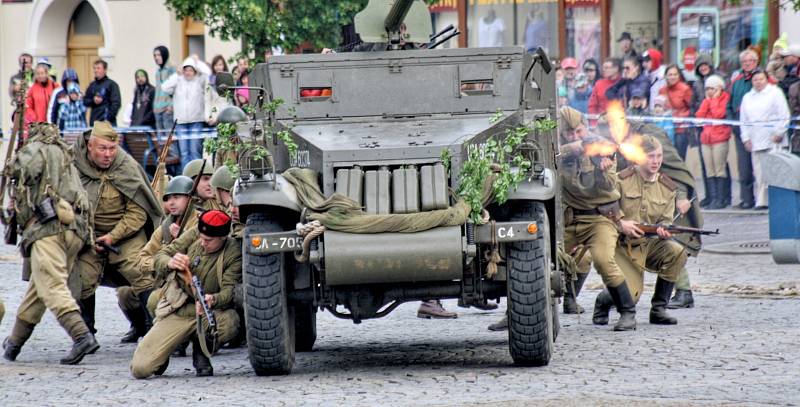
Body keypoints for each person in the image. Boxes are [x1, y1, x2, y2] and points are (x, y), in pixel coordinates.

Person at [2, 123, 96, 365]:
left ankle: (81, 335)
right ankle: (14, 343)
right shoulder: (63, 153)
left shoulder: (37, 149)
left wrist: (11, 164)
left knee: (51, 286)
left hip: (48, 229)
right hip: (73, 230)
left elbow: (22, 169)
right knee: (40, 287)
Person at [72, 121, 163, 336]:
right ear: (90, 146)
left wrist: (113, 237)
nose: (108, 154)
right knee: (82, 277)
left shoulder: (126, 167)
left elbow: (138, 213)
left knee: (141, 270)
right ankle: (85, 334)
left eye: (112, 149)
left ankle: (152, 327)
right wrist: (88, 237)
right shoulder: (73, 165)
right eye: (102, 148)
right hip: (88, 236)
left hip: (125, 234)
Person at [131, 210, 242, 378]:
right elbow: (161, 255)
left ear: (222, 237)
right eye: (202, 238)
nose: (203, 243)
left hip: (207, 312)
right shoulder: (194, 234)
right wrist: (171, 262)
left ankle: (201, 351)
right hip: (179, 308)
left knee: (229, 322)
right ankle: (166, 351)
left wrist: (213, 299)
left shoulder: (233, 252)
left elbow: (229, 291)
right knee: (140, 369)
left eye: (209, 240)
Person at [593, 135, 686, 329]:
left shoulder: (667, 188)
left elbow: (665, 220)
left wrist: (663, 229)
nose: (656, 161)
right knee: (632, 295)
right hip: (622, 246)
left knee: (677, 252)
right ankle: (604, 300)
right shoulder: (621, 180)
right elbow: (604, 210)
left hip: (649, 244)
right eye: (650, 156)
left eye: (659, 156)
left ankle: (659, 309)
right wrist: (621, 223)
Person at [118, 175, 198, 343]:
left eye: (177, 197)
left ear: (190, 198)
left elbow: (202, 255)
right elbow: (142, 259)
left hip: (194, 281)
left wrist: (181, 239)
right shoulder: (166, 227)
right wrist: (160, 263)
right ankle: (143, 327)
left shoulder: (199, 223)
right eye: (168, 199)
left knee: (156, 300)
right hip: (167, 281)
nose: (171, 202)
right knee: (126, 293)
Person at [739, 69, 791, 210]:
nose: (758, 82)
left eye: (761, 79)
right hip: (756, 140)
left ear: (766, 79)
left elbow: (784, 114)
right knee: (759, 173)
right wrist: (746, 138)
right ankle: (762, 201)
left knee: (776, 172)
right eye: (755, 80)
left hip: (774, 139)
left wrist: (779, 132)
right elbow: (743, 120)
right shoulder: (747, 97)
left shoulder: (775, 93)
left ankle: (779, 201)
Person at [161, 56, 211, 169]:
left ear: (195, 71)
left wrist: (197, 62)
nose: (188, 72)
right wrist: (176, 75)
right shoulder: (178, 80)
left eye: (190, 69)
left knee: (195, 152)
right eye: (186, 69)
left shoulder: (199, 81)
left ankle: (197, 177)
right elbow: (164, 87)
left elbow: (208, 73)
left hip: (196, 122)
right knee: (184, 153)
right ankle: (186, 179)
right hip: (181, 123)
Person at [726, 49, 759, 209]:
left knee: (760, 168)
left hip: (760, 130)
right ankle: (747, 199)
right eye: (745, 62)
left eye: (751, 61)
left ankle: (762, 200)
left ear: (756, 62)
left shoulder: (761, 78)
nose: (747, 64)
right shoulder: (736, 80)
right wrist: (733, 123)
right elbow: (729, 104)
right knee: (744, 167)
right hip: (740, 129)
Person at [694, 75, 731, 210]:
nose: (709, 91)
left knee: (719, 170)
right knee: (710, 170)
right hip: (706, 139)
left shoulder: (725, 98)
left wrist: (713, 100)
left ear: (720, 88)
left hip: (720, 138)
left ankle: (721, 199)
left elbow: (718, 114)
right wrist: (707, 102)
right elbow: (699, 116)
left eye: (712, 88)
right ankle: (713, 199)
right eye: (707, 88)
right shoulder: (706, 100)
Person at [660, 64, 694, 159]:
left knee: (679, 158)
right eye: (670, 74)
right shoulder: (662, 90)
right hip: (666, 128)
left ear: (679, 75)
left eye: (675, 74)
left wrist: (681, 116)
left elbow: (692, 108)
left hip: (681, 129)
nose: (673, 77)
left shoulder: (685, 89)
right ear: (665, 76)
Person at [83, 60, 121, 126]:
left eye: (98, 68)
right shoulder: (92, 85)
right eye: (94, 68)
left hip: (108, 123)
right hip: (94, 123)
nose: (96, 70)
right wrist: (93, 100)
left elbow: (116, 104)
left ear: (105, 70)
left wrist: (108, 118)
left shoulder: (112, 85)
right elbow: (85, 101)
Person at [153, 46, 177, 133]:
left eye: (159, 55)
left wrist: (171, 106)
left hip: (167, 109)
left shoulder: (171, 69)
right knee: (161, 141)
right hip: (157, 108)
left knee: (170, 139)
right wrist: (155, 106)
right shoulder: (158, 71)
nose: (156, 57)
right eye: (155, 55)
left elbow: (175, 89)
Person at [205, 55, 231, 126]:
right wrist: (208, 117)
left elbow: (231, 99)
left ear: (224, 66)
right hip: (215, 115)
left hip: (227, 113)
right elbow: (207, 100)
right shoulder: (209, 80)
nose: (218, 67)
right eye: (216, 65)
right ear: (213, 66)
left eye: (220, 64)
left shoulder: (228, 78)